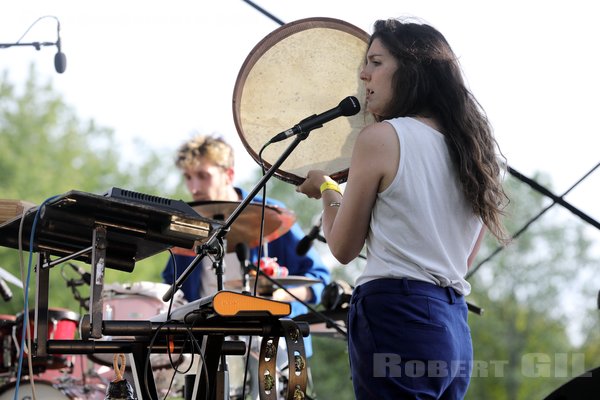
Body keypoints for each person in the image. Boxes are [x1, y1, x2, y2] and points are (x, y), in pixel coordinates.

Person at [297, 17, 509, 399]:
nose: (364, 74)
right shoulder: (479, 156)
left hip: (397, 314)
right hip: (453, 324)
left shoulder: (382, 138)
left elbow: (343, 248)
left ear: (412, 70)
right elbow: (460, 262)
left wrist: (328, 188)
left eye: (376, 62)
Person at [162, 134, 330, 397]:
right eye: (188, 177)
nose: (194, 187)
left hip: (276, 346)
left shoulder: (270, 214)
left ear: (228, 174)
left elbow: (319, 278)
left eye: (203, 176)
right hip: (210, 347)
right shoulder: (188, 227)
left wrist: (276, 295)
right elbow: (171, 291)